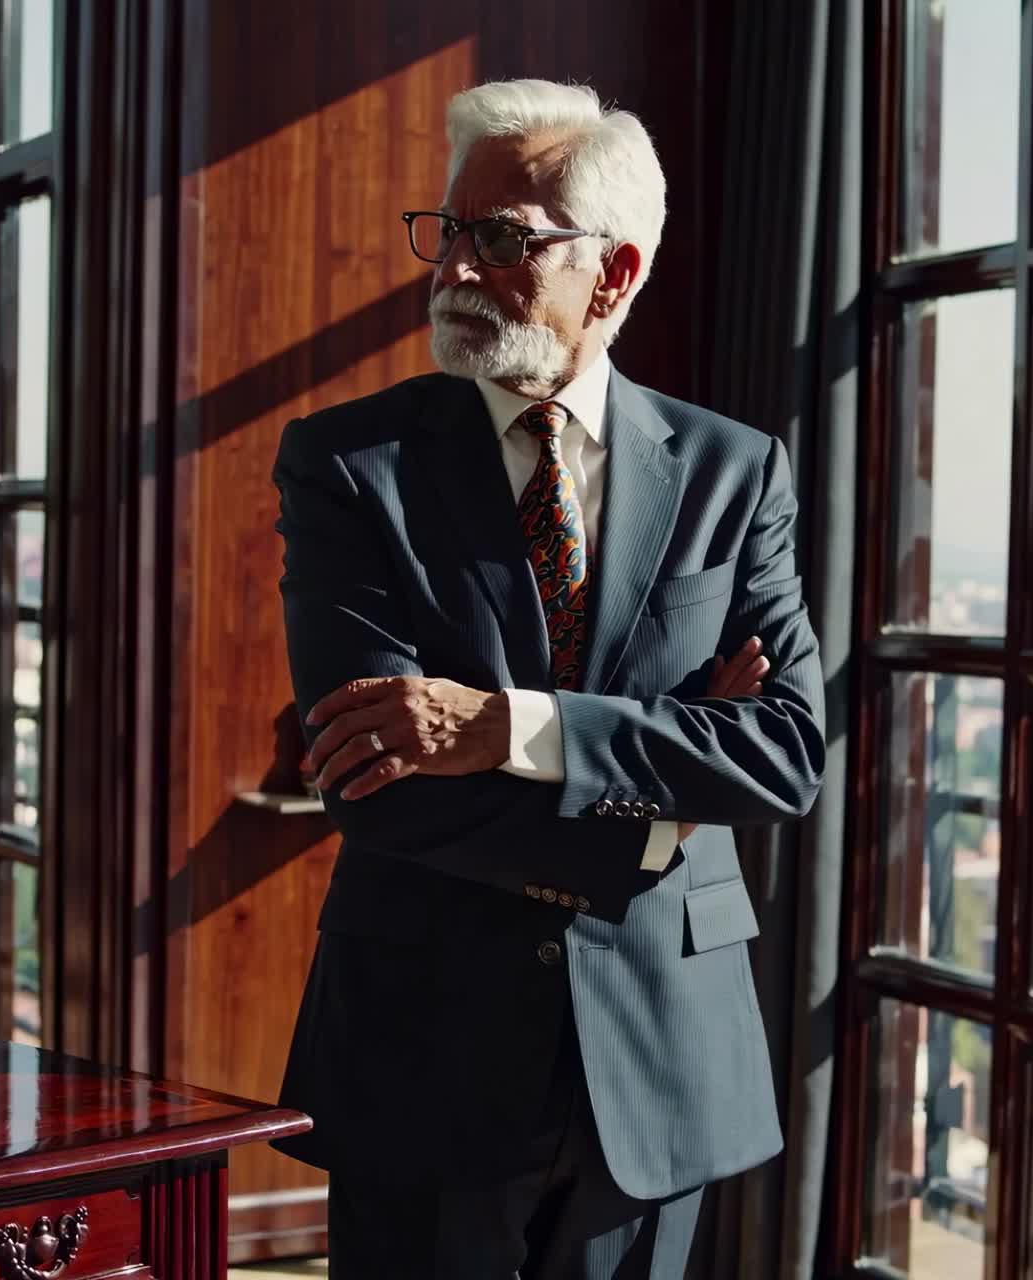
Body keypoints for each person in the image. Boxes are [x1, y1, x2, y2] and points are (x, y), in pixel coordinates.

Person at [271, 78, 825, 1280]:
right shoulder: (347, 466)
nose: (455, 265)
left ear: (612, 274)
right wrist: (653, 813)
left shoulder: (737, 472)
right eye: (450, 229)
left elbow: (781, 751)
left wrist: (513, 728)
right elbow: (372, 775)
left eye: (502, 238)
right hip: (423, 1048)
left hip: (663, 1059)